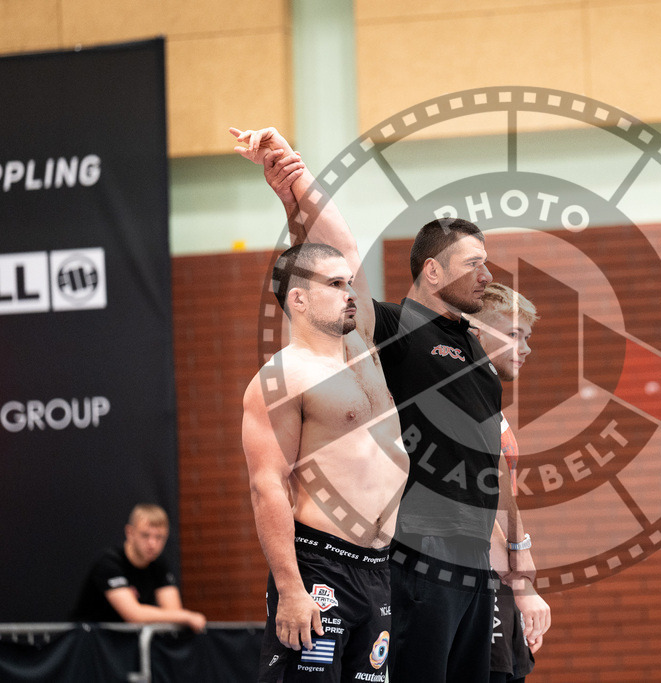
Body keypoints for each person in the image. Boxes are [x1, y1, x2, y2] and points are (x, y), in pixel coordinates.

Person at [231, 127, 547, 683]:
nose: (487, 274)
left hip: (451, 565)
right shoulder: (390, 332)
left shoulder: (478, 360)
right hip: (401, 557)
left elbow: (497, 474)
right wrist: (296, 185)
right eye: (474, 262)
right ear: (432, 270)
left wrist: (520, 576)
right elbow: (335, 256)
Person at [240, 202, 409, 677]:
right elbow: (267, 485)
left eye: (349, 283)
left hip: (376, 568)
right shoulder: (281, 378)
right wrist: (290, 587)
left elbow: (345, 247)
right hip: (320, 568)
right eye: (335, 285)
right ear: (298, 299)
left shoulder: (363, 353)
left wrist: (296, 177)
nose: (349, 292)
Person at [467, 283, 551, 683]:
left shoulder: (488, 401)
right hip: (480, 572)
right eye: (513, 334)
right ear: (476, 333)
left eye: (527, 336)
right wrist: (521, 579)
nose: (525, 347)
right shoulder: (462, 401)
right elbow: (482, 500)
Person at [70, 503, 206, 632]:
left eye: (159, 537)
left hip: (127, 647)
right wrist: (187, 616)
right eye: (145, 535)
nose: (152, 543)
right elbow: (134, 615)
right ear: (130, 532)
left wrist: (179, 616)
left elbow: (173, 611)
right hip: (91, 644)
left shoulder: (159, 564)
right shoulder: (109, 563)